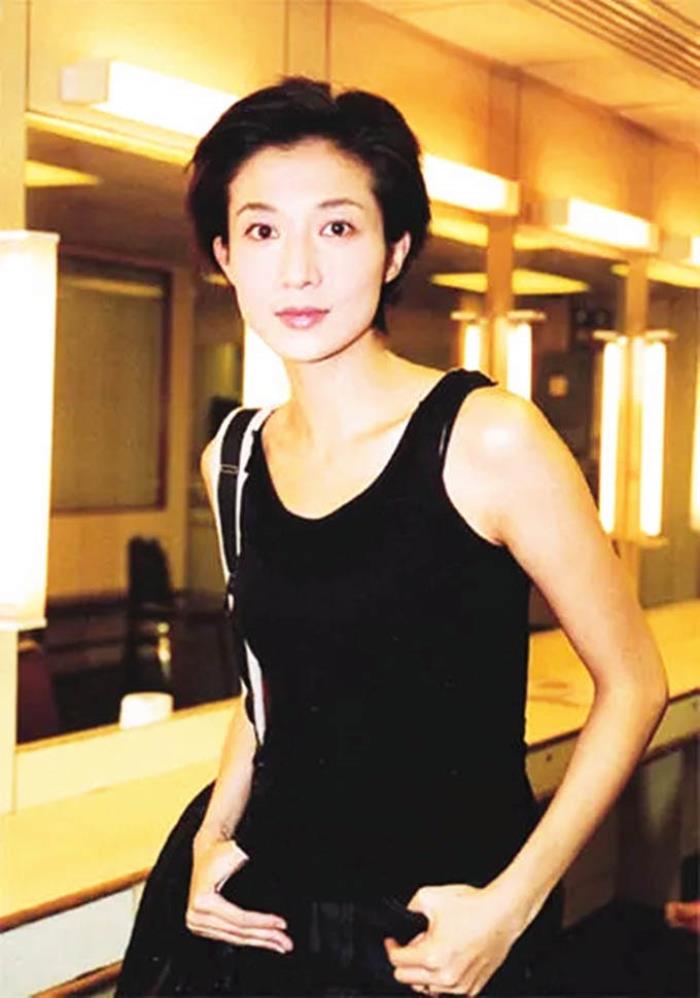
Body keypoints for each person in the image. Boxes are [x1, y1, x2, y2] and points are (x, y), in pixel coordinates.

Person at [144, 76, 669, 996]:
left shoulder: (487, 437)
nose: (297, 271)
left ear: (395, 251)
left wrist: (511, 907)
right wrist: (211, 838)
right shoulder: (232, 456)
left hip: (441, 926)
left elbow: (635, 685)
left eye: (337, 227)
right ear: (224, 256)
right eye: (262, 231)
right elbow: (267, 687)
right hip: (266, 917)